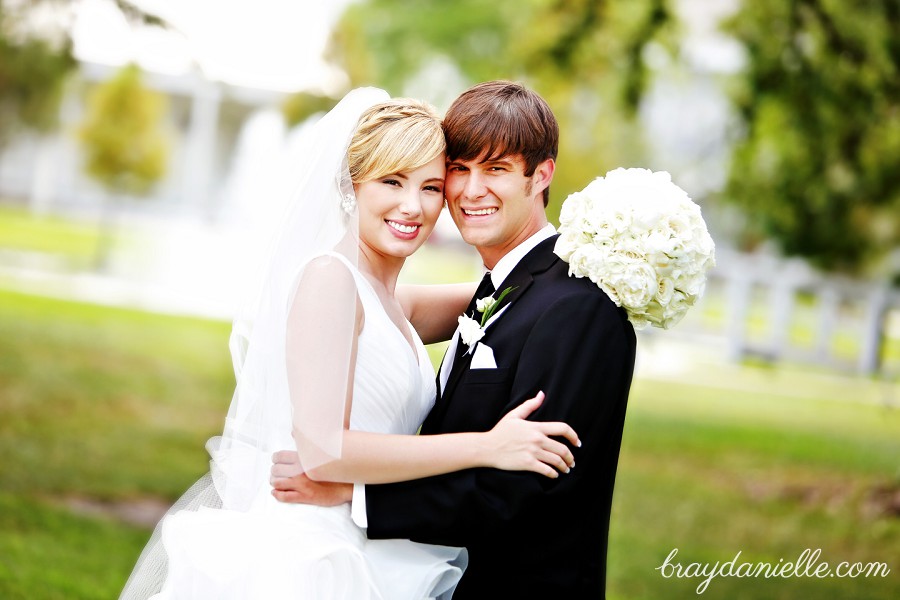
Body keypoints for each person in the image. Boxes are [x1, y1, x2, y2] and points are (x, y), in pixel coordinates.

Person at [120, 88, 580, 600]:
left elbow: (520, 288)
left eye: (430, 186)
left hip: (368, 539)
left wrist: (600, 256)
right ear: (351, 186)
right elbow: (322, 451)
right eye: (391, 181)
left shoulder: (391, 299)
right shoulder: (329, 280)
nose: (413, 206)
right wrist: (488, 446)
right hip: (311, 556)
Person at [272, 80, 637, 598]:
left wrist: (357, 497)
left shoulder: (575, 304)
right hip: (346, 555)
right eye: (459, 171)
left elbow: (525, 488)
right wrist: (486, 447)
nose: (469, 191)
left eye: (496, 170)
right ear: (353, 186)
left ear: (542, 175)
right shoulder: (492, 290)